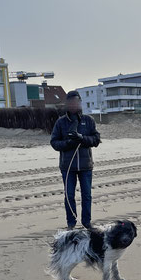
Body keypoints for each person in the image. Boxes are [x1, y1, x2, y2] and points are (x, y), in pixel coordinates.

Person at [50, 91, 101, 230]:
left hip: (85, 166)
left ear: (80, 103)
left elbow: (96, 140)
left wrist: (82, 138)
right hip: (67, 166)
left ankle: (87, 222)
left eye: (76, 102)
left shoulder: (88, 120)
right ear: (67, 104)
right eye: (70, 102)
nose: (73, 105)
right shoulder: (61, 122)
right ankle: (71, 223)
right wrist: (68, 143)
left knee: (87, 195)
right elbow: (54, 142)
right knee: (69, 196)